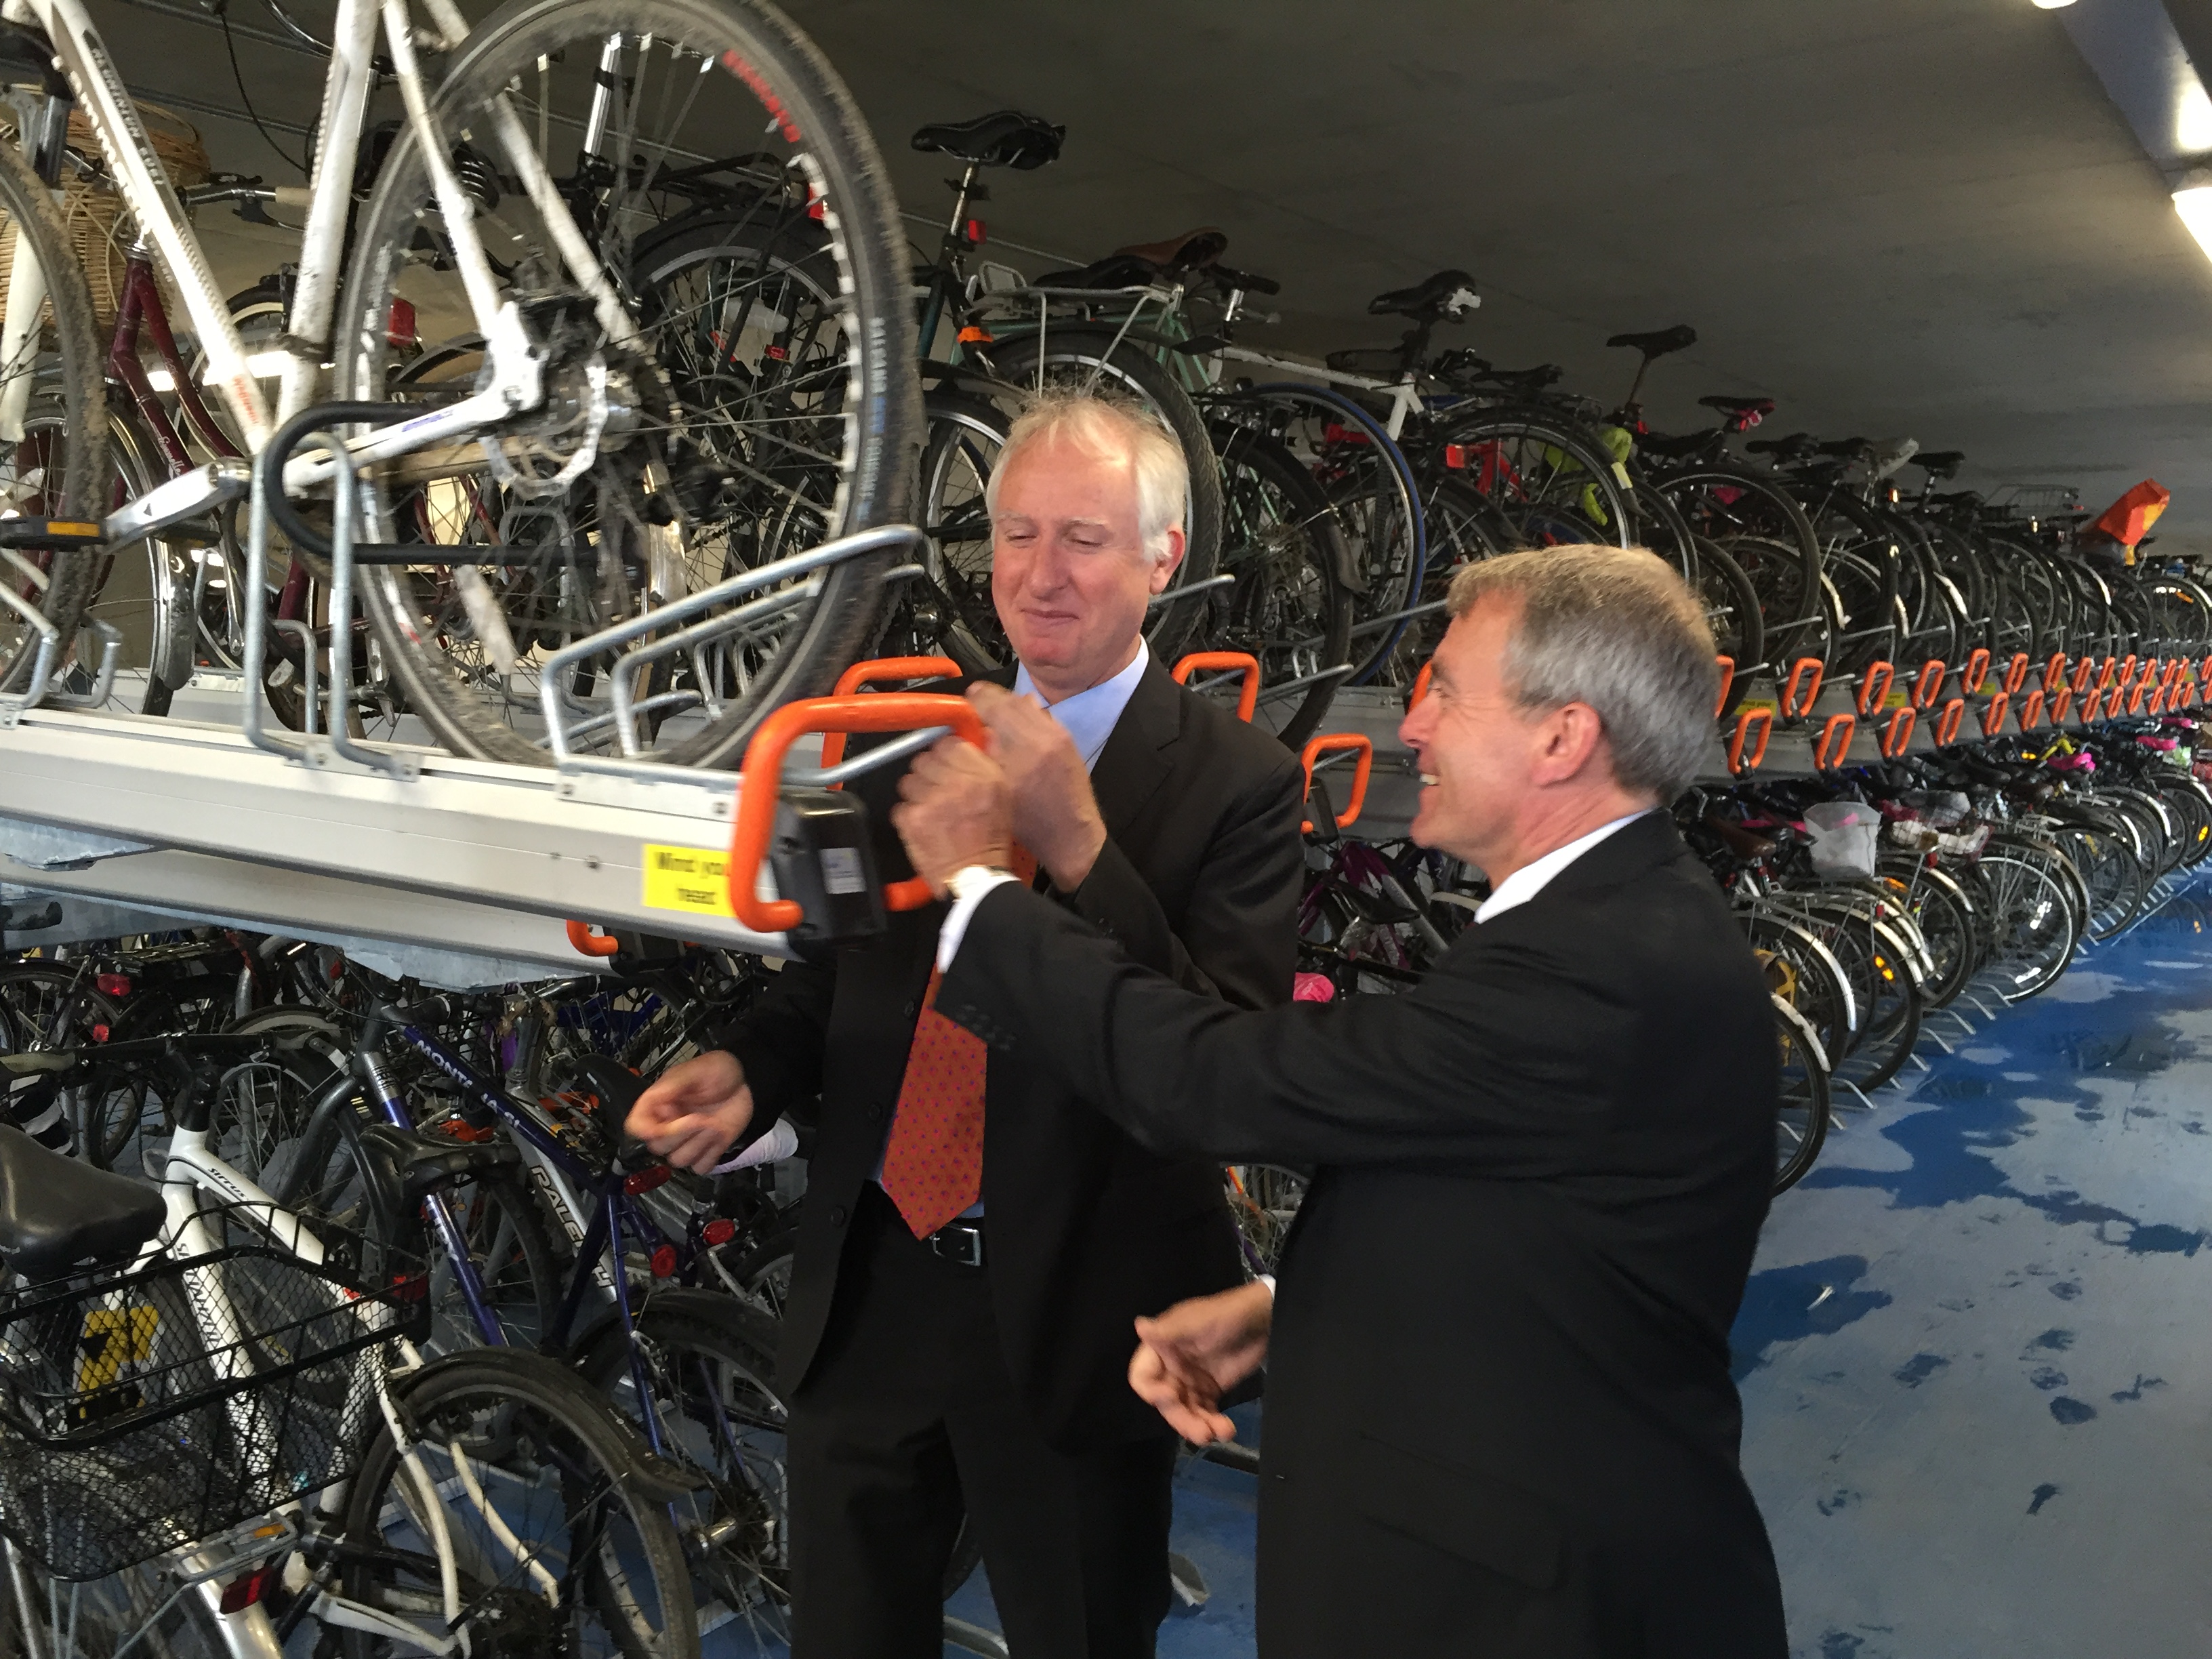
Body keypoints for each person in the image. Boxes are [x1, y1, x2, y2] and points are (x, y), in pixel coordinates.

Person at [888, 544, 1790, 1658]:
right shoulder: (1611, 921)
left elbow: (1216, 1081)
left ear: (1562, 739)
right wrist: (1291, 1308)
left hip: (1531, 1610)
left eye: (1446, 693)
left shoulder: (1602, 968)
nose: (1412, 727)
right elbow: (1518, 1211)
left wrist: (980, 889)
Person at [626, 390, 1307, 1658]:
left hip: (1084, 1311)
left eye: (1084, 540)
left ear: (1163, 557)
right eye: (1016, 534)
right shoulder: (904, 739)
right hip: (875, 1281)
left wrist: (1079, 848)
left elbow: (1221, 1066)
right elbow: (836, 976)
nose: (1040, 576)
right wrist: (750, 1069)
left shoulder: (1240, 786)